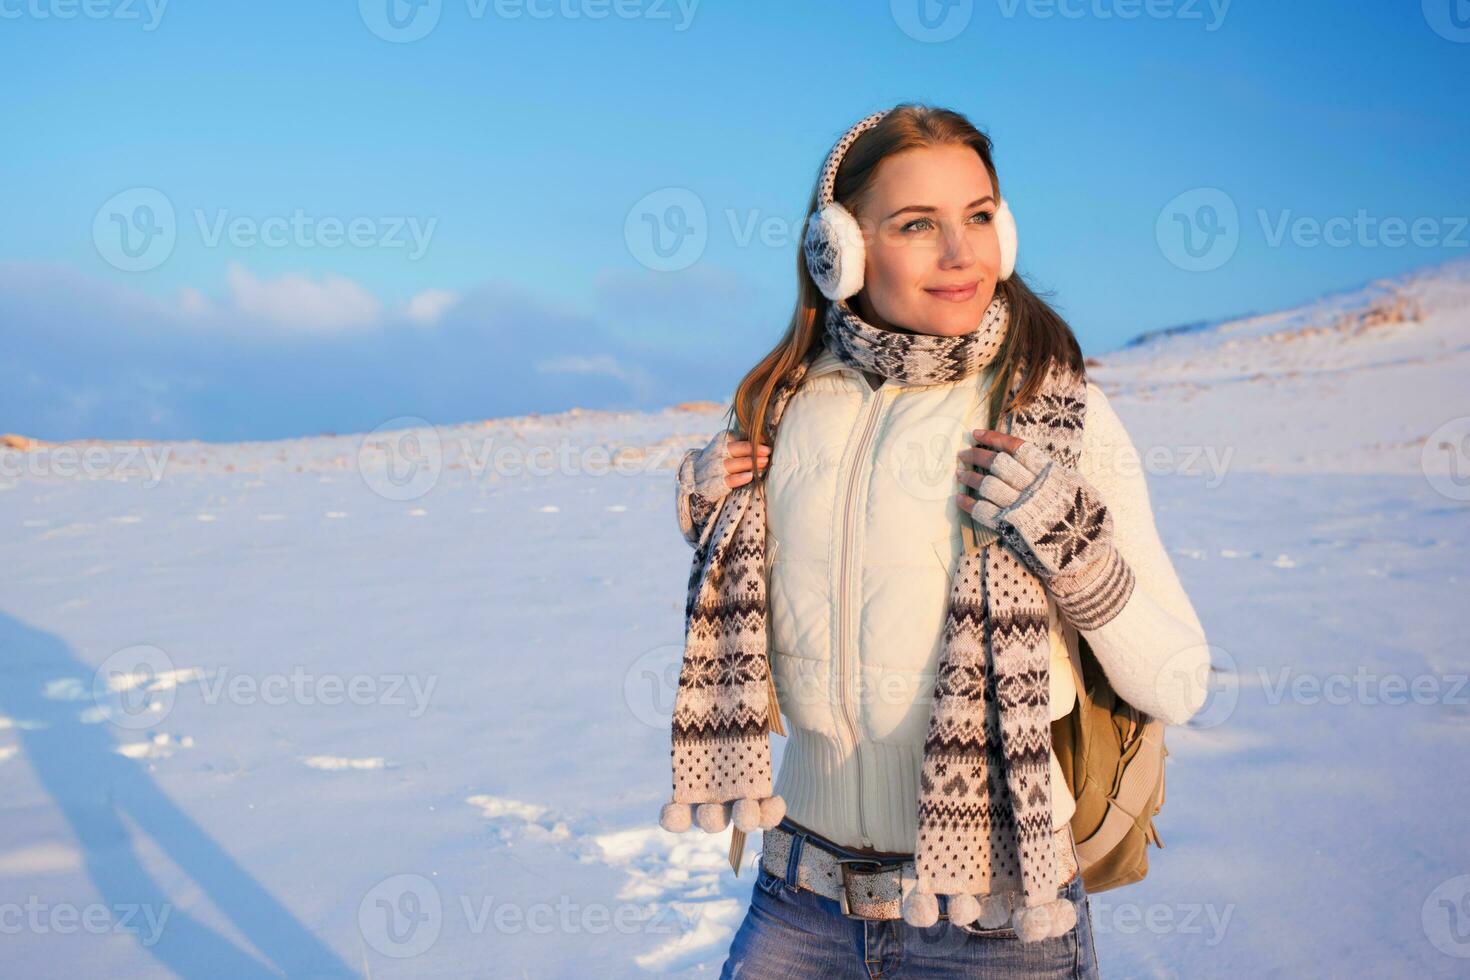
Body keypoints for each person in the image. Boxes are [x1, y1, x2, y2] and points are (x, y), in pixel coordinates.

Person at [672, 103, 1211, 978]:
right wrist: (714, 522)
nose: (962, 255)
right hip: (800, 900)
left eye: (980, 217)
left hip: (998, 922)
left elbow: (1178, 680)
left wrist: (1070, 548)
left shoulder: (1055, 419)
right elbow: (783, 635)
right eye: (918, 225)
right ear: (837, 251)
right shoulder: (783, 409)